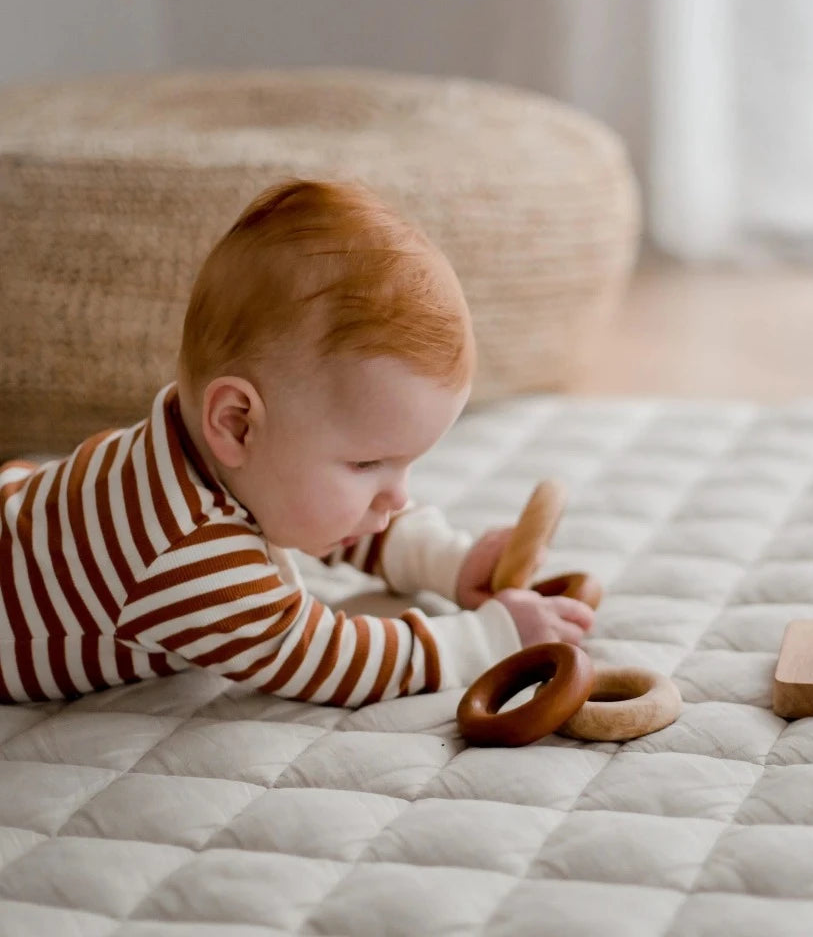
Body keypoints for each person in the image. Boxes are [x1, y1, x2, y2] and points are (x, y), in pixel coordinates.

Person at [0, 180, 594, 705]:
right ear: (236, 423)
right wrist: (489, 638)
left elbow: (322, 519)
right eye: (367, 463)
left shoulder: (210, 453)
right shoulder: (187, 554)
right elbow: (321, 656)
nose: (394, 496)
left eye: (404, 464)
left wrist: (447, 559)